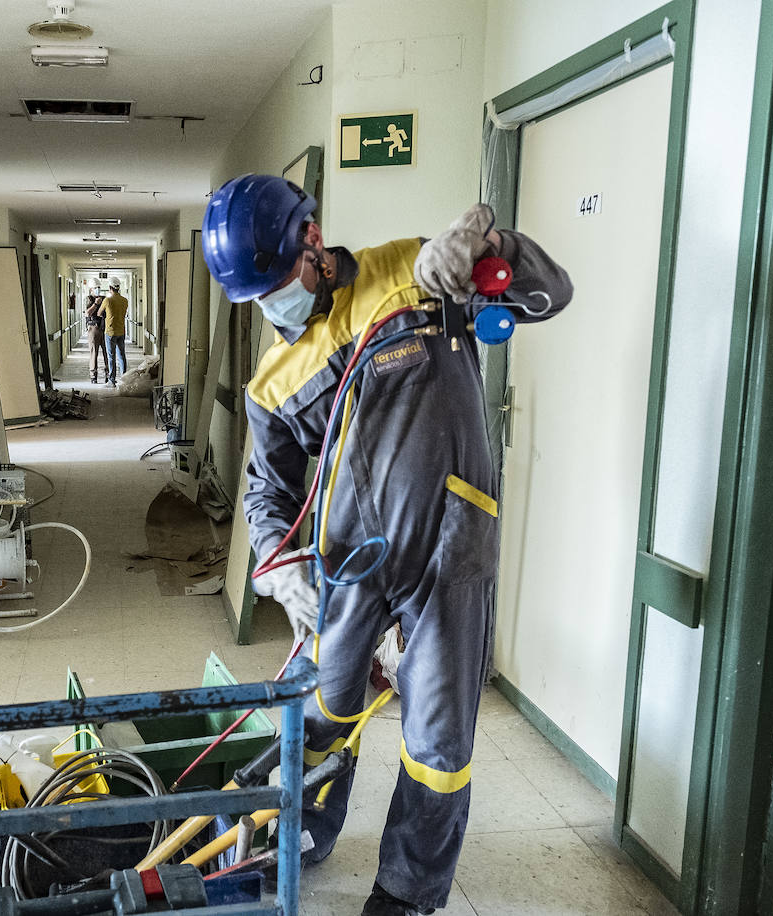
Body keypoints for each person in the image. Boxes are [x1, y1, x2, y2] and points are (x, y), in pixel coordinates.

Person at [202, 174, 572, 915]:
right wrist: (279, 569)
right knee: (323, 713)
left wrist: (492, 249)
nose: (276, 305)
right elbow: (266, 493)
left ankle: (406, 893)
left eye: (280, 283)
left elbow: (550, 293)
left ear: (313, 241)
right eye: (259, 298)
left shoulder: (416, 276)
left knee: (438, 743)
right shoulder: (273, 381)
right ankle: (302, 832)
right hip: (347, 567)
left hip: (447, 554)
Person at [98, 280, 130, 386]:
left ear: (110, 288)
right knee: (122, 355)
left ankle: (112, 380)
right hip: (121, 331)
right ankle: (124, 379)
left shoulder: (107, 300)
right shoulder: (125, 300)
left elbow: (99, 313)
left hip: (110, 332)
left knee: (111, 356)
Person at [85, 291, 108, 384]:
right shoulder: (89, 299)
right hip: (94, 328)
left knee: (107, 353)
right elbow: (88, 313)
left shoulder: (105, 299)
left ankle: (108, 374)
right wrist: (96, 303)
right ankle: (93, 375)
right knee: (94, 352)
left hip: (105, 328)